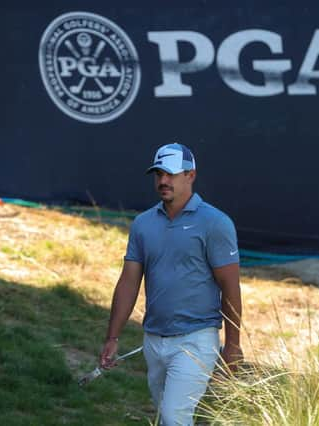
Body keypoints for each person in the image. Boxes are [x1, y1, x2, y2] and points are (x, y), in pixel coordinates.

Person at [100, 143, 242, 425]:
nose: (163, 181)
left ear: (190, 175)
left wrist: (233, 345)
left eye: (171, 174)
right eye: (158, 174)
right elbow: (129, 281)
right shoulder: (142, 224)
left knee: (174, 416)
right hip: (153, 340)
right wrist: (112, 337)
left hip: (197, 339)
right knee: (167, 416)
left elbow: (230, 287)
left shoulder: (215, 223)